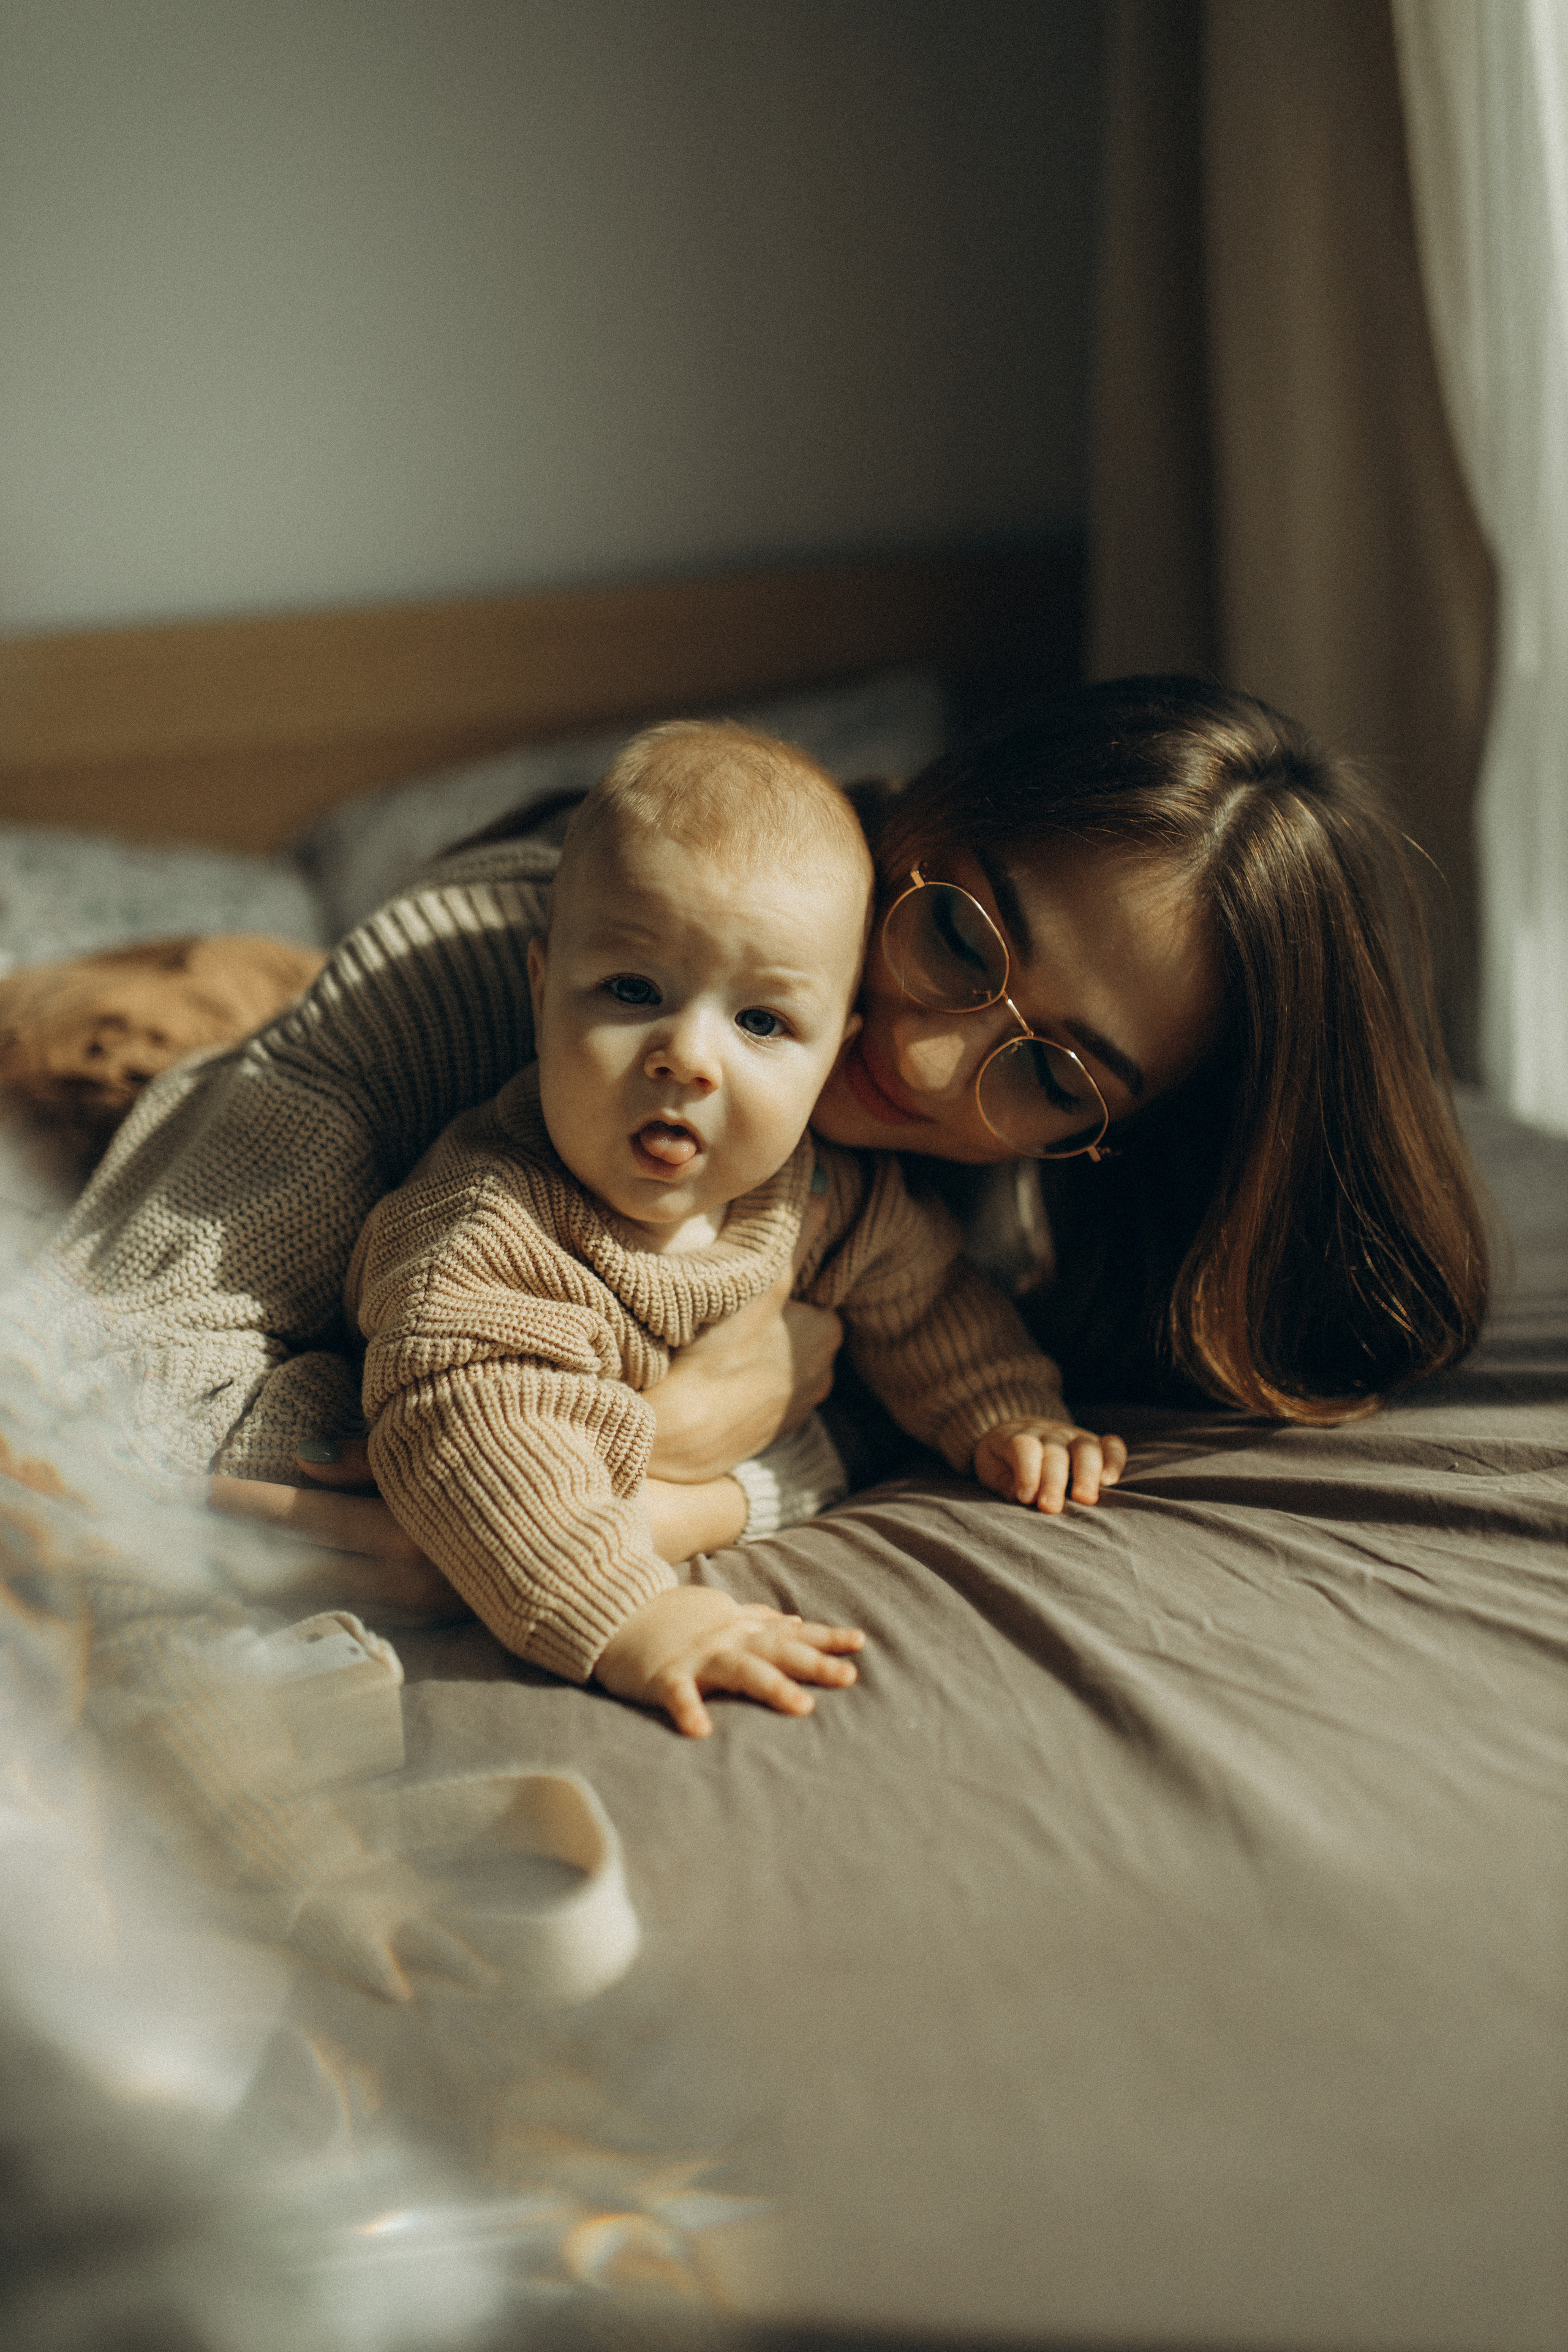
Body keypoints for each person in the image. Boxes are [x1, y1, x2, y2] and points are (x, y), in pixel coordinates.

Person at [50, 676, 1485, 1598]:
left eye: (1050, 1072)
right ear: (926, 803)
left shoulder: (977, 1201)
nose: (921, 1056)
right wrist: (602, 1462)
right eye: (954, 930)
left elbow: (872, 1413)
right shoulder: (473, 961)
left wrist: (674, 1496)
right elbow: (96, 1394)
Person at [345, 720, 1101, 1735]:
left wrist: (1005, 1409)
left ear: (836, 1052)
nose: (688, 1057)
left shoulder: (827, 1192)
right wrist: (635, 1615)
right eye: (631, 992)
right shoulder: (484, 1232)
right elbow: (482, 1437)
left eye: (761, 1023)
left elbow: (926, 1303)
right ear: (540, 995)